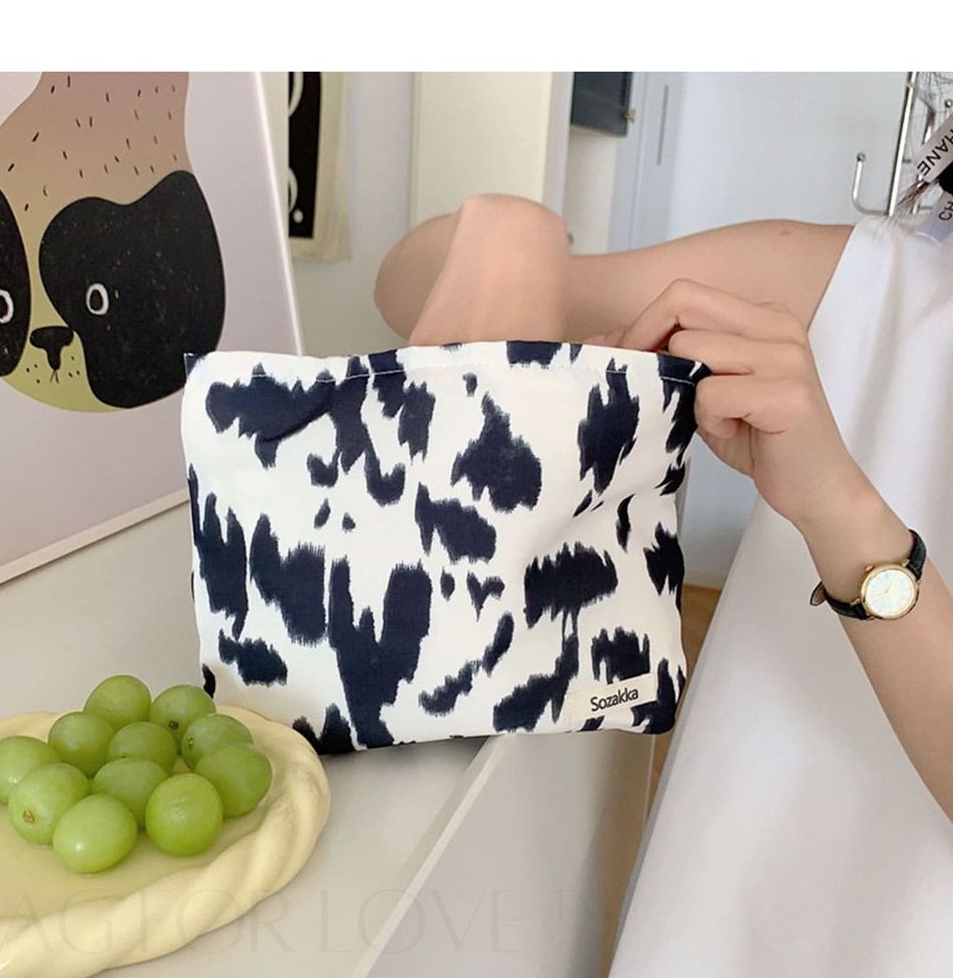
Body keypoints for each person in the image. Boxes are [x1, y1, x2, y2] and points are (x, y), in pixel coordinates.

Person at [373, 192, 953, 824]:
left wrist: (839, 508)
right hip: (730, 828)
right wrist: (517, 235)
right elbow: (401, 286)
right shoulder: (878, 277)